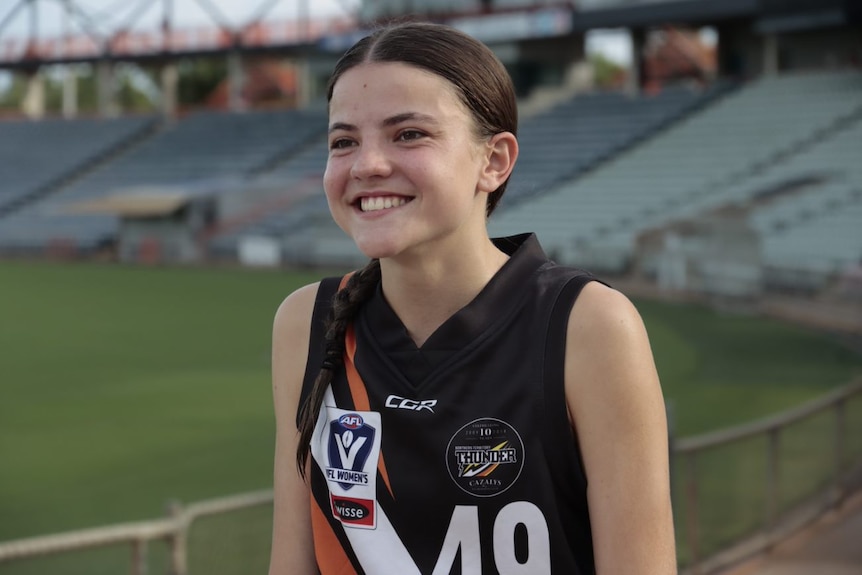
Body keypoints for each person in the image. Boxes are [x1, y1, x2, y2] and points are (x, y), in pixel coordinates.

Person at [268, 21, 677, 575]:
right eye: (344, 142)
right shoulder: (306, 322)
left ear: (494, 161)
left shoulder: (589, 325)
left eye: (408, 134)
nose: (366, 165)